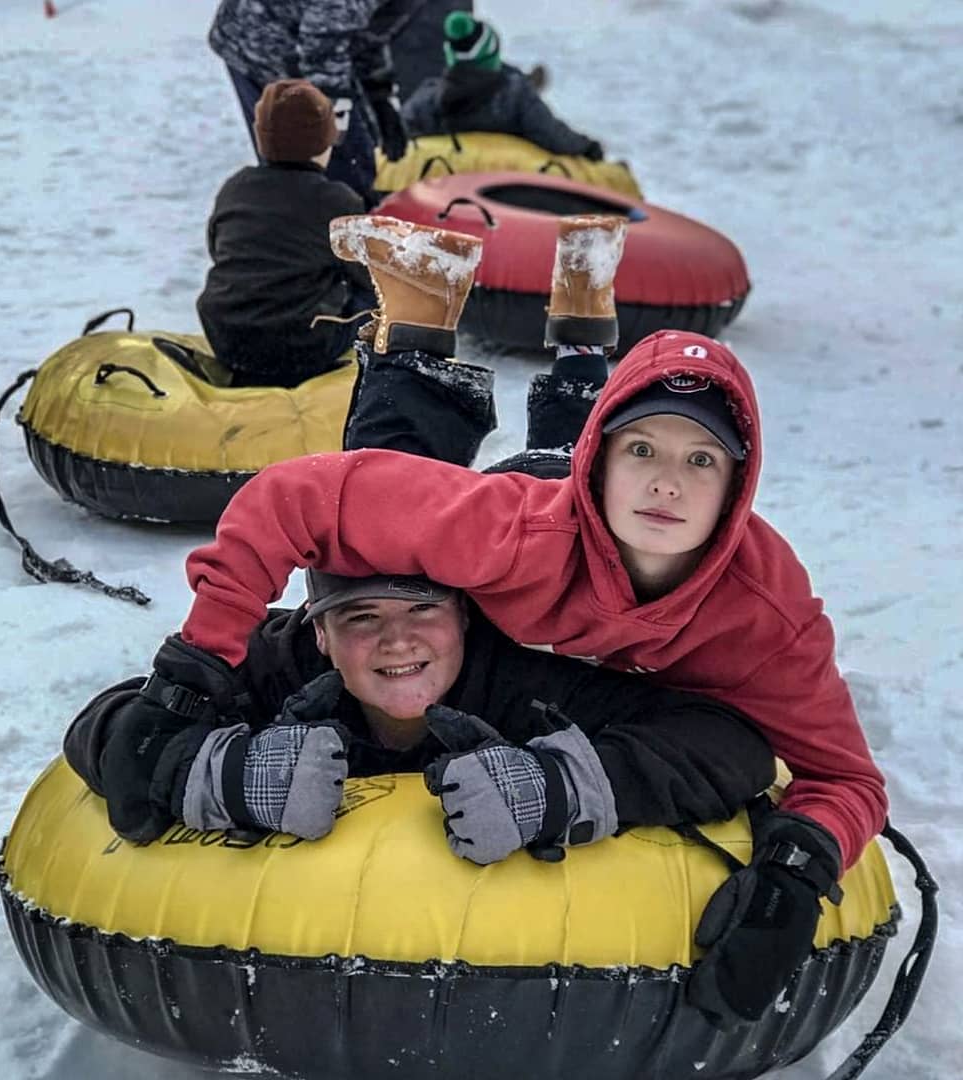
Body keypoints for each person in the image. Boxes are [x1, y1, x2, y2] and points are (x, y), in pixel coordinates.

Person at [119, 212, 888, 1031]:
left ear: (738, 483)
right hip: (530, 522)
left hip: (576, 641)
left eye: (701, 461)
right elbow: (302, 497)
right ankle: (422, 314)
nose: (668, 482)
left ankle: (583, 303)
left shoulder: (766, 614)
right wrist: (196, 668)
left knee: (568, 433)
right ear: (610, 464)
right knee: (398, 482)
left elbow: (844, 777)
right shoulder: (504, 529)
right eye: (641, 452)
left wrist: (796, 873)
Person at [68, 570, 776, 868]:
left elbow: (731, 741)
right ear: (319, 633)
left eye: (422, 612)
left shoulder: (529, 674)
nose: (397, 643)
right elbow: (111, 722)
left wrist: (555, 787)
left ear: (463, 615)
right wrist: (224, 772)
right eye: (362, 618)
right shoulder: (280, 661)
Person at [195, 79, 375, 387]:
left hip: (226, 336)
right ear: (323, 144)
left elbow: (217, 247)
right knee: (373, 297)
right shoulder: (335, 200)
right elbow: (368, 272)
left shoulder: (235, 187)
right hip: (301, 346)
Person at [208, 0, 425, 201]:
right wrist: (338, 132)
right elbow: (323, 54)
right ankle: (310, 224)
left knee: (352, 158)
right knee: (307, 161)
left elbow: (367, 36)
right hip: (257, 41)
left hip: (310, 36)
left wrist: (380, 99)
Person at [401, 11, 605, 160]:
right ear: (492, 54)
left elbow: (403, 134)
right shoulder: (514, 95)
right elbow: (551, 135)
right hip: (506, 190)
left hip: (443, 188)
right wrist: (588, 148)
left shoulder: (428, 99)